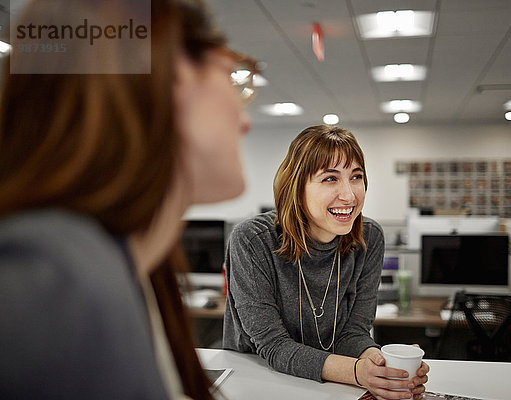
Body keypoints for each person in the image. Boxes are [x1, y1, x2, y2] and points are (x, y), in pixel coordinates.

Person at [0, 0, 255, 398]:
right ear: (174, 74)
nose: (246, 114)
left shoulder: (135, 269)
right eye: (233, 75)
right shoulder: (54, 284)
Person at [223, 125, 429, 400]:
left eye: (356, 177)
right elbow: (273, 346)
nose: (349, 195)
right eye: (330, 179)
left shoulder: (369, 238)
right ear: (296, 187)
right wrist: (358, 372)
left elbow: (353, 333)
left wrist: (383, 368)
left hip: (328, 386)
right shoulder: (252, 240)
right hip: (258, 380)